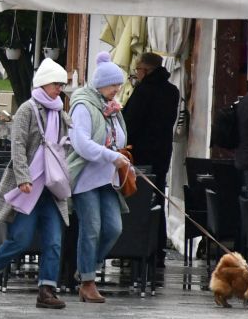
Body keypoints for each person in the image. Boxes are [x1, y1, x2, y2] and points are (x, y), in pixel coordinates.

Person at [0, 58, 72, 309]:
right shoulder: (27, 110)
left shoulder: (60, 112)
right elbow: (17, 145)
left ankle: (46, 290)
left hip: (52, 187)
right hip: (30, 186)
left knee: (54, 240)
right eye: (56, 84)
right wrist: (23, 178)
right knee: (21, 238)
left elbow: (67, 142)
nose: (59, 89)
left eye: (61, 85)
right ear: (43, 83)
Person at [67, 51, 131, 303]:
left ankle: (87, 267)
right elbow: (81, 143)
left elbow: (119, 139)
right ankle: (87, 282)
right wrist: (111, 156)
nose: (117, 89)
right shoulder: (83, 105)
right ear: (101, 83)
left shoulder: (111, 108)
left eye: (118, 84)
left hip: (108, 179)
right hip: (85, 178)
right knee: (91, 227)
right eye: (113, 84)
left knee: (114, 228)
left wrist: (120, 159)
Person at [122, 51, 180, 181]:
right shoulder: (172, 91)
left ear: (146, 70)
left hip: (141, 152)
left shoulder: (143, 91)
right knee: (158, 185)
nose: (136, 73)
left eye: (138, 69)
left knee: (141, 189)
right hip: (163, 150)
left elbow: (131, 121)